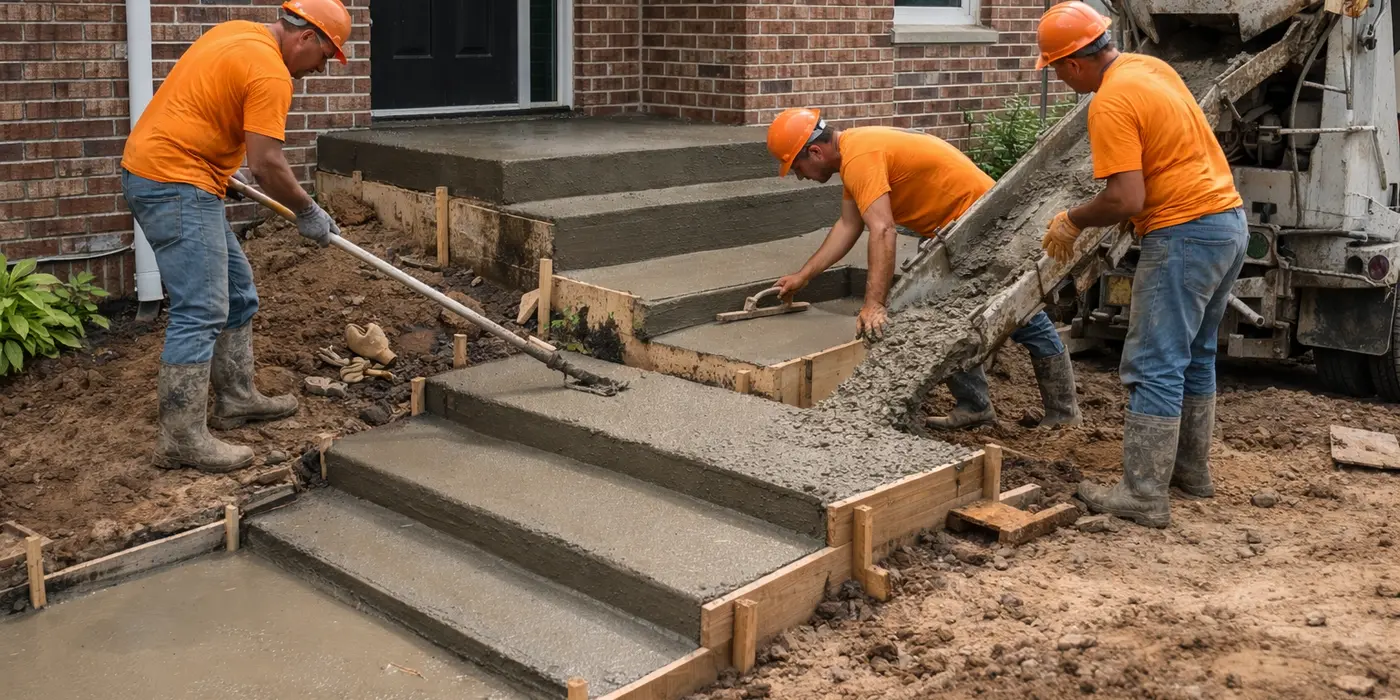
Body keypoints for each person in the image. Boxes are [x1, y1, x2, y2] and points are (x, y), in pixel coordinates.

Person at [1036, 1, 1247, 526]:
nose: (1060, 80)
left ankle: (1143, 494)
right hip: (1227, 223)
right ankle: (1190, 474)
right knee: (1195, 354)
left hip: (1185, 234)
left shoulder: (1109, 101)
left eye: (1057, 70)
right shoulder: (1151, 68)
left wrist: (1073, 220)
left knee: (1154, 362)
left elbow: (1127, 197)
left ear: (1075, 64)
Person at [120, 0, 352, 473]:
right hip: (173, 181)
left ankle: (236, 398)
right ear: (306, 37)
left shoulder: (238, 33)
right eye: (326, 56)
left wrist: (211, 160)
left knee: (238, 294)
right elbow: (266, 162)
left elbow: (204, 103)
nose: (320, 69)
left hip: (180, 172)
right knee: (201, 308)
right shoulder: (270, 73)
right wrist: (306, 210)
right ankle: (180, 439)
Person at [765, 108, 1082, 430]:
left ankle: (1063, 413)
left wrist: (874, 304)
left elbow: (883, 229)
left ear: (815, 151)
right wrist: (804, 276)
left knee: (1020, 315)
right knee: (937, 312)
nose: (799, 175)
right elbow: (849, 225)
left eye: (797, 166)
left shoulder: (861, 156)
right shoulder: (856, 154)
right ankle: (975, 408)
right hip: (955, 231)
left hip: (985, 229)